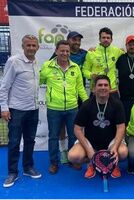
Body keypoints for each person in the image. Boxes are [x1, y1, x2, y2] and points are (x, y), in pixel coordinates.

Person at [40, 40, 88, 174]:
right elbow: (38, 82)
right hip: (54, 109)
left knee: (73, 136)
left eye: (67, 51)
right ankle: (54, 163)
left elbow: (80, 88)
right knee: (53, 136)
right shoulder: (47, 66)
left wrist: (87, 103)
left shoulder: (75, 67)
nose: (65, 53)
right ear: (56, 51)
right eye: (62, 50)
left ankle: (74, 160)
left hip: (73, 108)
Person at [0, 35, 41, 187]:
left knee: (30, 140)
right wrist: (4, 108)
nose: (31, 48)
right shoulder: (13, 61)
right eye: (28, 45)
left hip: (33, 109)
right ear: (23, 46)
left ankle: (28, 167)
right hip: (16, 110)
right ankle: (12, 172)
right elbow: (4, 87)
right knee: (14, 142)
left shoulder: (36, 62)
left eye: (33, 45)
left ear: (37, 47)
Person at [68, 75, 128, 179]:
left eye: (106, 85)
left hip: (111, 141)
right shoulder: (86, 105)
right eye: (100, 85)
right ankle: (92, 163)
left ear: (110, 88)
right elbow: (77, 129)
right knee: (73, 156)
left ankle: (113, 164)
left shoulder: (117, 104)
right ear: (94, 88)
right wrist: (88, 150)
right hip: (90, 142)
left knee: (123, 152)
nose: (103, 87)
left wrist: (114, 147)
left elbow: (121, 128)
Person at [49, 31, 88, 165]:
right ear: (68, 41)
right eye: (74, 40)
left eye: (78, 40)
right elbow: (47, 74)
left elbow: (94, 58)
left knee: (75, 131)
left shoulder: (84, 54)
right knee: (60, 130)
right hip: (58, 101)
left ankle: (73, 156)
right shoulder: (55, 56)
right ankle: (62, 152)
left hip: (76, 98)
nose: (76, 42)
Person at [82, 27, 123, 98]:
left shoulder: (117, 51)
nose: (106, 40)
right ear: (99, 39)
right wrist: (91, 75)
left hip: (112, 91)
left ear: (111, 39)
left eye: (108, 38)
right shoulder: (92, 53)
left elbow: (126, 52)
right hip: (96, 90)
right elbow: (84, 70)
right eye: (103, 37)